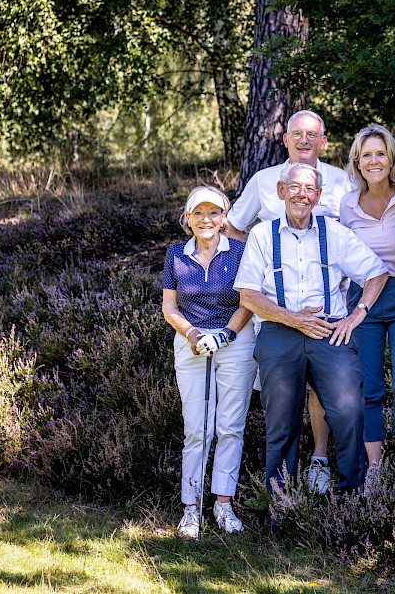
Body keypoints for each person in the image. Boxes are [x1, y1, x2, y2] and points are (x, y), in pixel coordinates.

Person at [234, 163, 389, 495]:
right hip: (279, 333)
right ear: (281, 192)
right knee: (280, 422)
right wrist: (291, 318)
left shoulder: (334, 232)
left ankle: (352, 499)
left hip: (330, 332)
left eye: (309, 189)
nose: (301, 195)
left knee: (349, 412)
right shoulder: (262, 234)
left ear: (318, 196)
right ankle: (282, 503)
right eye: (294, 187)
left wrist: (356, 314)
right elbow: (248, 294)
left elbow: (376, 272)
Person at [225, 110, 352, 494]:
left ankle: (319, 460)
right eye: (296, 133)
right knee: (284, 389)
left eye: (312, 134)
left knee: (326, 388)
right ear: (285, 139)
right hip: (276, 308)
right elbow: (233, 226)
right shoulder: (264, 181)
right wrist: (262, 263)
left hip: (332, 300)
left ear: (323, 141)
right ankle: (282, 483)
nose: (304, 140)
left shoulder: (342, 181)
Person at [162, 186, 258, 539]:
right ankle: (191, 507)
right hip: (191, 343)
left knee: (230, 426)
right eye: (198, 213)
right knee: (196, 428)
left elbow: (248, 300)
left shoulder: (242, 252)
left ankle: (223, 503)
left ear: (223, 218)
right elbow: (169, 307)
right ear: (187, 218)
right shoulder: (175, 254)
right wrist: (192, 335)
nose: (206, 219)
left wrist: (226, 334)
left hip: (235, 341)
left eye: (214, 212)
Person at [340, 125, 395, 486]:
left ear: (391, 158)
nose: (374, 160)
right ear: (357, 162)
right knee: (370, 387)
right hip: (362, 300)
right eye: (366, 154)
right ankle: (377, 469)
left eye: (380, 153)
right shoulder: (347, 204)